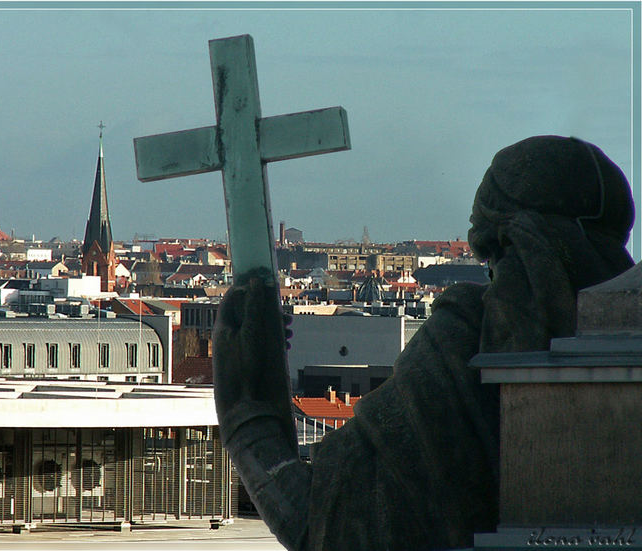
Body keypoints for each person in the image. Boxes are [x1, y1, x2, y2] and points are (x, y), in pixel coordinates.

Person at [212, 136, 635, 551]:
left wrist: (246, 415)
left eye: (493, 253)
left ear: (515, 244)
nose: (491, 273)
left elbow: (322, 524)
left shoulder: (462, 345)